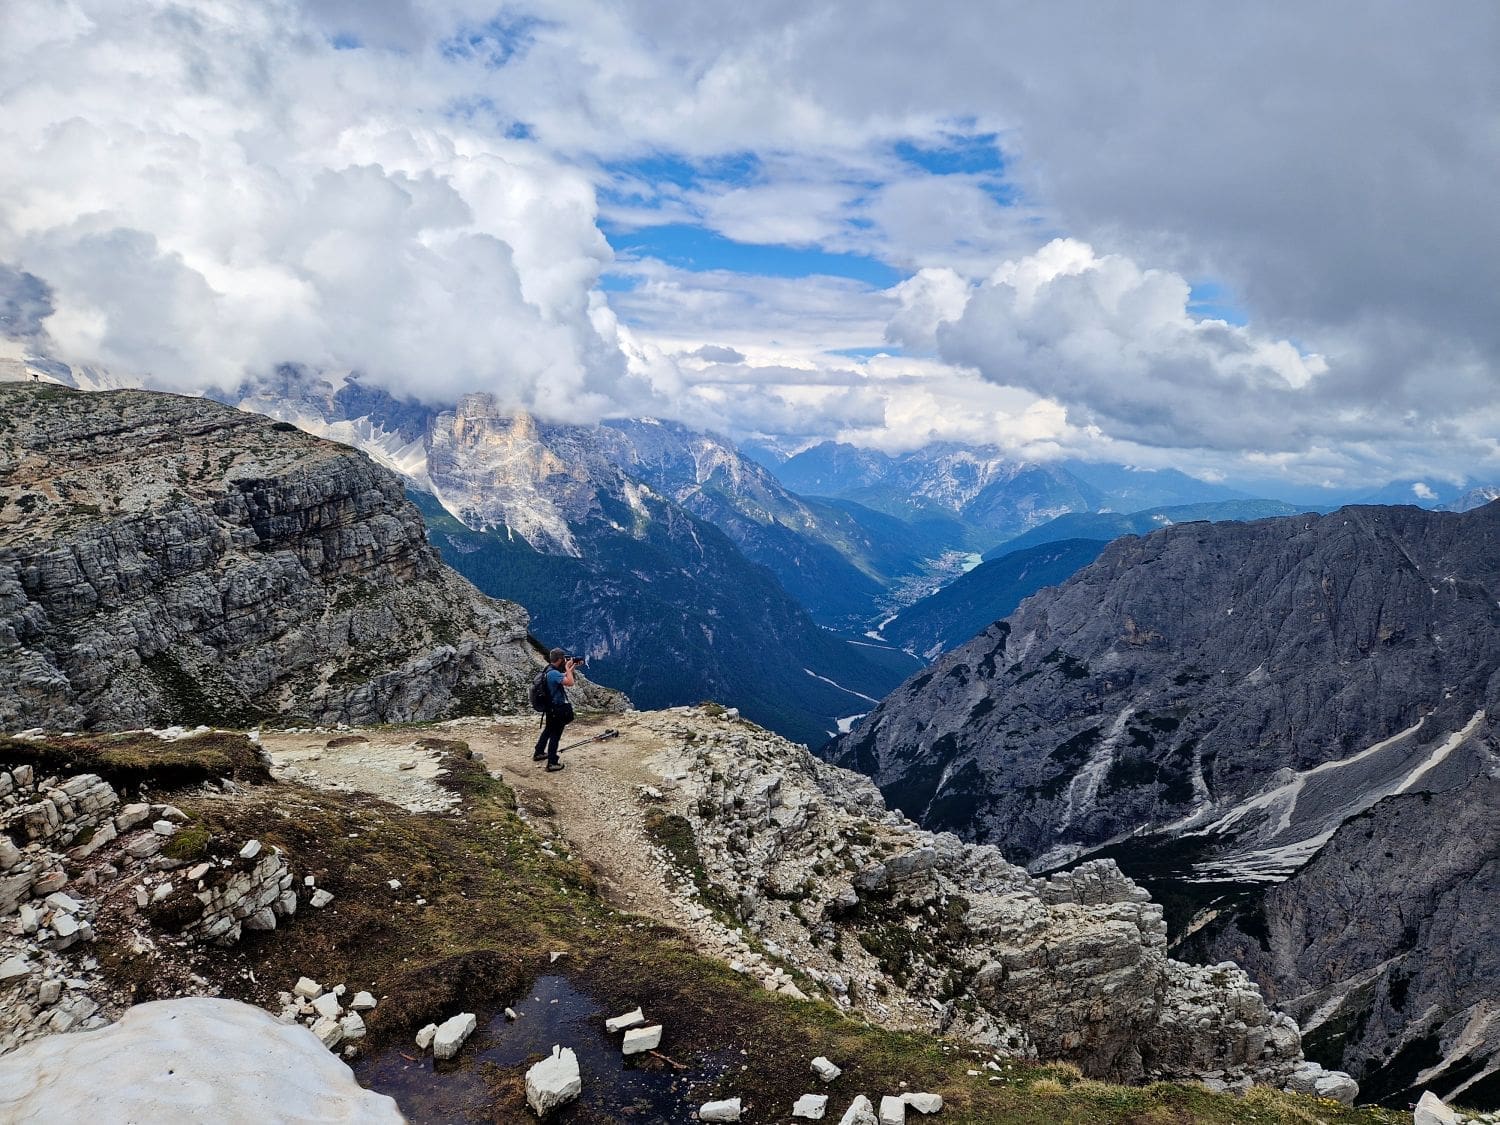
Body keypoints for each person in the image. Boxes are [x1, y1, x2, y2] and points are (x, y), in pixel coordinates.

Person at [533, 648, 580, 771]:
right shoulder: (553, 673)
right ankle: (552, 762)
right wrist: (568, 669)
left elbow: (563, 677)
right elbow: (570, 682)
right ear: (560, 660)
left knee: (548, 730)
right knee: (555, 735)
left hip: (550, 708)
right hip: (556, 708)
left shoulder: (549, 670)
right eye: (564, 659)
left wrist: (571, 667)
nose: (565, 660)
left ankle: (538, 752)